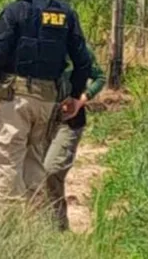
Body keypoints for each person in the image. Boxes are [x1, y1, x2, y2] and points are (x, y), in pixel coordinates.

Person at [0, 0, 91, 201]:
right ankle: (33, 223)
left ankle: (7, 223)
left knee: (9, 158)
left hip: (16, 99)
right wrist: (74, 96)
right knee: (35, 160)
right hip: (48, 101)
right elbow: (84, 61)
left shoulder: (14, 11)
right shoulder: (65, 13)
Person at [44, 45, 105, 231]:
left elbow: (99, 77)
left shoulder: (79, 50)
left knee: (51, 170)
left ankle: (59, 228)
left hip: (69, 121)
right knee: (36, 173)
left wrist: (82, 100)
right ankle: (42, 226)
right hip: (41, 119)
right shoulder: (37, 42)